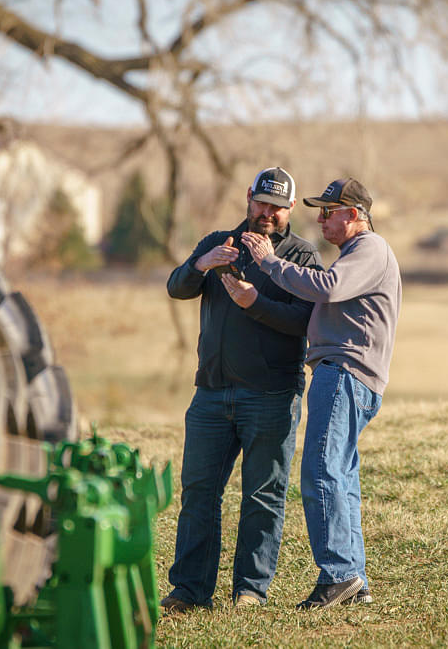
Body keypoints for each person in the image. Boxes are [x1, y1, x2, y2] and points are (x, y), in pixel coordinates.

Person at [161, 166, 324, 612]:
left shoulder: (303, 257)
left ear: (291, 207)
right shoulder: (218, 243)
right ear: (248, 197)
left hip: (271, 395)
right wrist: (200, 265)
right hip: (211, 393)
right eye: (261, 203)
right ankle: (190, 592)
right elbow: (176, 288)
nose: (267, 213)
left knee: (263, 496)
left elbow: (306, 321)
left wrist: (256, 303)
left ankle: (250, 591)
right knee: (198, 493)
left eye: (277, 207)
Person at [241, 177, 401, 609]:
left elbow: (326, 288)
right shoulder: (357, 253)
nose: (319, 219)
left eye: (328, 212)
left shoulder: (369, 249)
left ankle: (338, 575)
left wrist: (272, 263)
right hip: (346, 375)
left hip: (345, 372)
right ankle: (354, 581)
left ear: (354, 215)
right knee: (341, 477)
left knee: (321, 471)